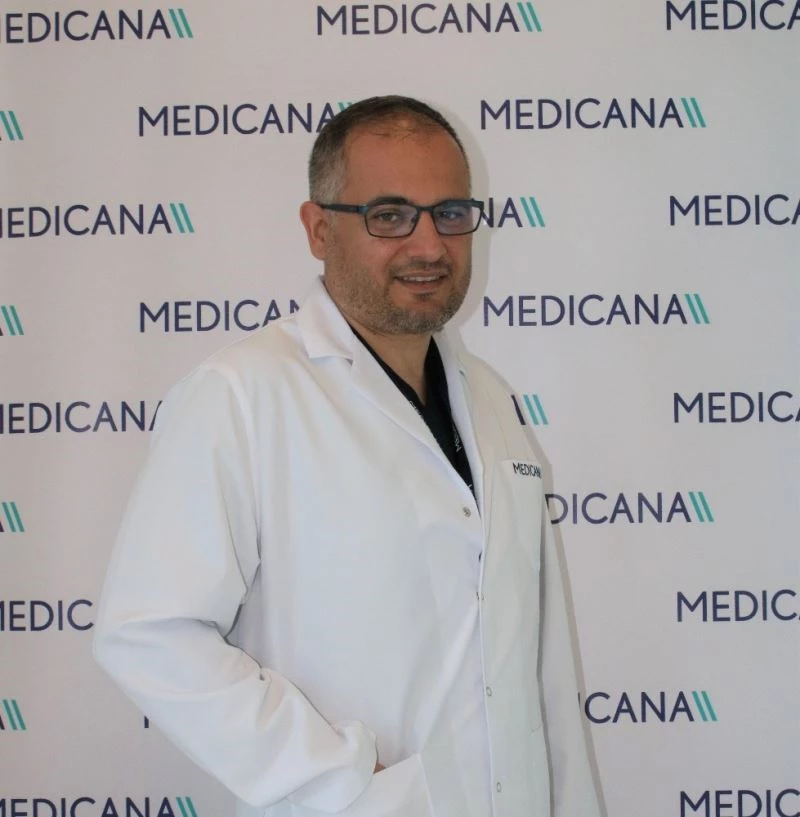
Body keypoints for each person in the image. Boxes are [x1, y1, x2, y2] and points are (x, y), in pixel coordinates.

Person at [94, 95, 603, 817]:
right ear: (318, 228)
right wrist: (334, 776)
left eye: (450, 213)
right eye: (389, 215)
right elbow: (148, 632)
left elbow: (537, 666)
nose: (429, 245)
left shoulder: (490, 399)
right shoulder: (243, 394)